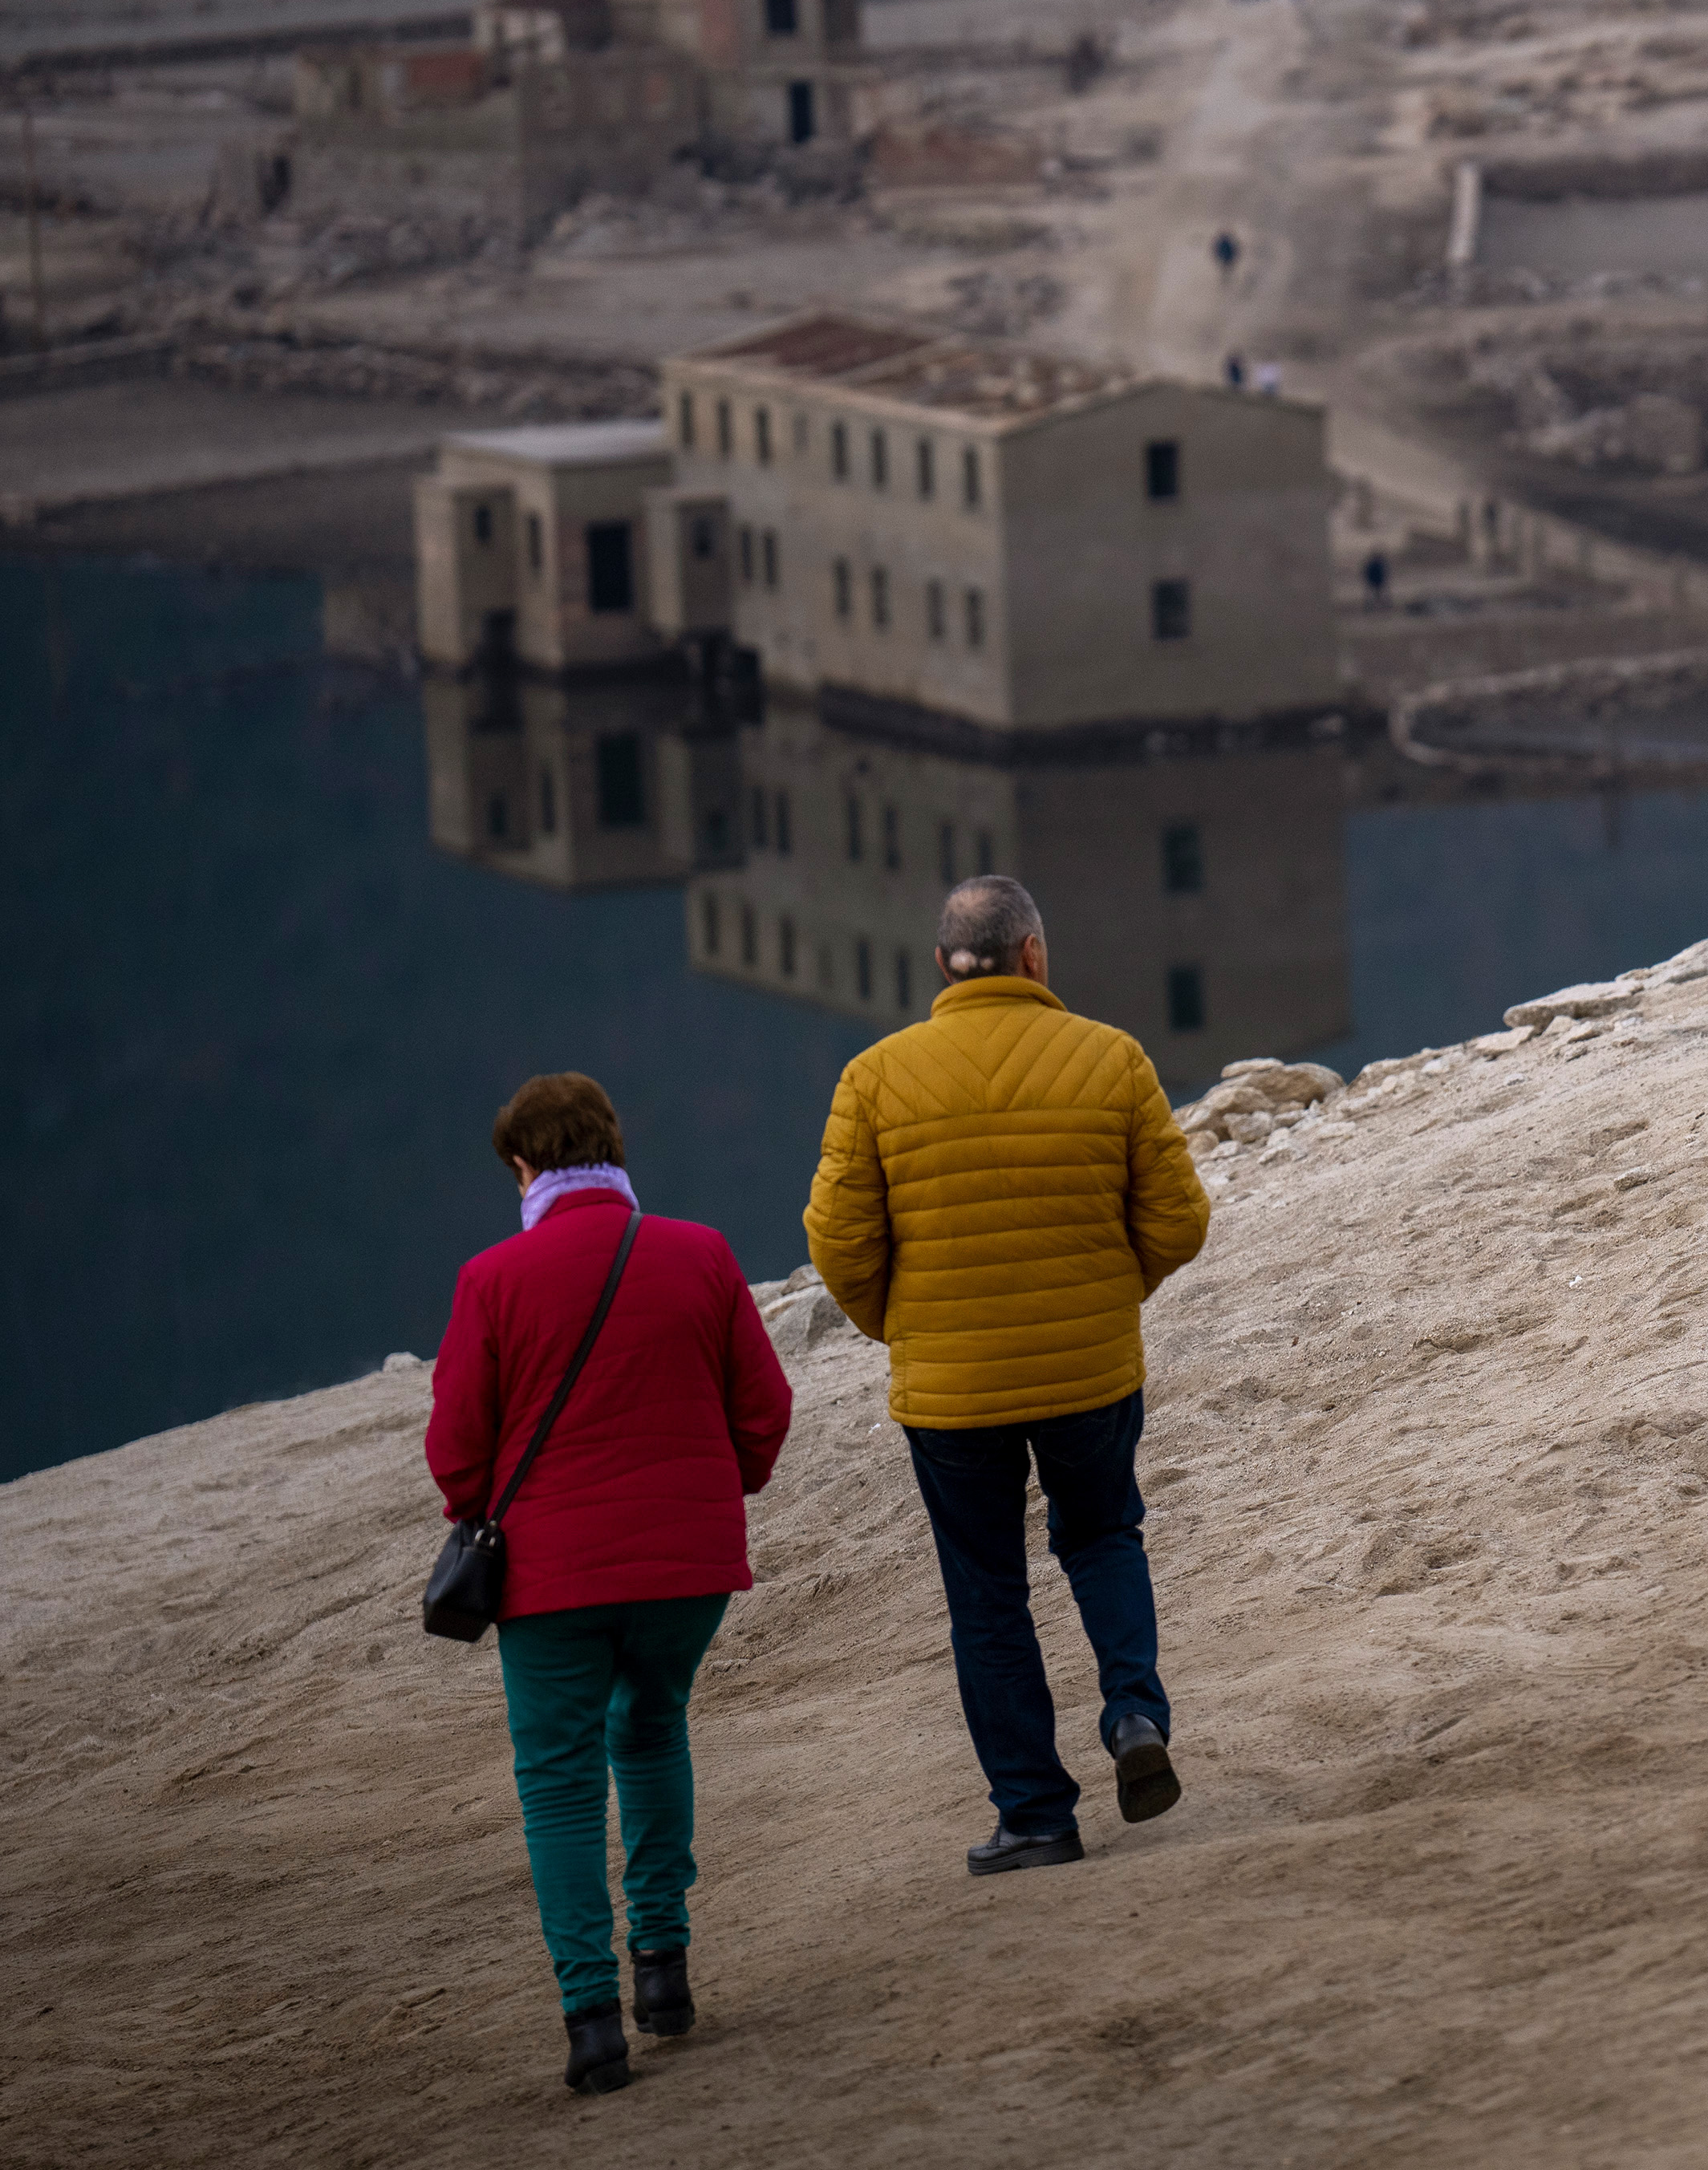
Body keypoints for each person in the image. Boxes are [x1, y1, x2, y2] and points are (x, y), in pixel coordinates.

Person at [808, 876, 1212, 1876]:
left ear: (943, 967)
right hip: (1088, 1370)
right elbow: (1180, 1220)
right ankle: (1131, 1714)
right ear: (1034, 956)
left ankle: (1034, 1813)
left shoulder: (874, 1077)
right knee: (1104, 1534)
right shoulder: (1110, 1057)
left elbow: (839, 1244)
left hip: (952, 1393)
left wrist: (899, 1327)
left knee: (986, 1591)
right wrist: (1110, 1294)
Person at [428, 1072, 792, 2097]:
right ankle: (664, 1970)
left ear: (523, 1166)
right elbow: (764, 1410)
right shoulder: (702, 1252)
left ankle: (592, 2022)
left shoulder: (493, 1279)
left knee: (559, 1782)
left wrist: (486, 1503)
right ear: (615, 1149)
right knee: (652, 1723)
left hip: (548, 1579)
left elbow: (456, 1451)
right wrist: (714, 1488)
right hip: (686, 1570)